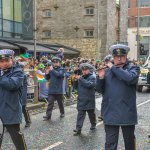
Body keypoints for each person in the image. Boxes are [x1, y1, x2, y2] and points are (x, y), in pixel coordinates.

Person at [96, 44, 140, 150]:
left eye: (122, 57)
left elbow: (129, 78)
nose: (119, 59)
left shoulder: (133, 68)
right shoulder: (107, 70)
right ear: (113, 57)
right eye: (117, 57)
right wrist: (100, 78)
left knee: (129, 143)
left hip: (127, 112)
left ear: (126, 57)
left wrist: (113, 68)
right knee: (110, 144)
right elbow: (99, 90)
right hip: (110, 112)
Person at [0, 49, 27, 150]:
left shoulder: (18, 72)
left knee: (16, 137)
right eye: (1, 62)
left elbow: (12, 84)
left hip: (11, 109)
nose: (4, 64)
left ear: (12, 60)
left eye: (7, 61)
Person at [73, 63, 96, 135]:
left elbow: (89, 85)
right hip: (81, 99)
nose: (84, 71)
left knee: (91, 114)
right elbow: (75, 88)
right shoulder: (81, 77)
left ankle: (93, 124)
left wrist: (80, 79)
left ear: (89, 70)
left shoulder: (92, 77)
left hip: (89, 99)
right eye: (83, 70)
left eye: (86, 70)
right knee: (80, 115)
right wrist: (75, 80)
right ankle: (78, 129)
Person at [19, 63, 31, 128]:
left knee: (24, 108)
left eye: (21, 67)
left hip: (22, 94)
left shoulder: (23, 75)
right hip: (17, 95)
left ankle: (28, 121)